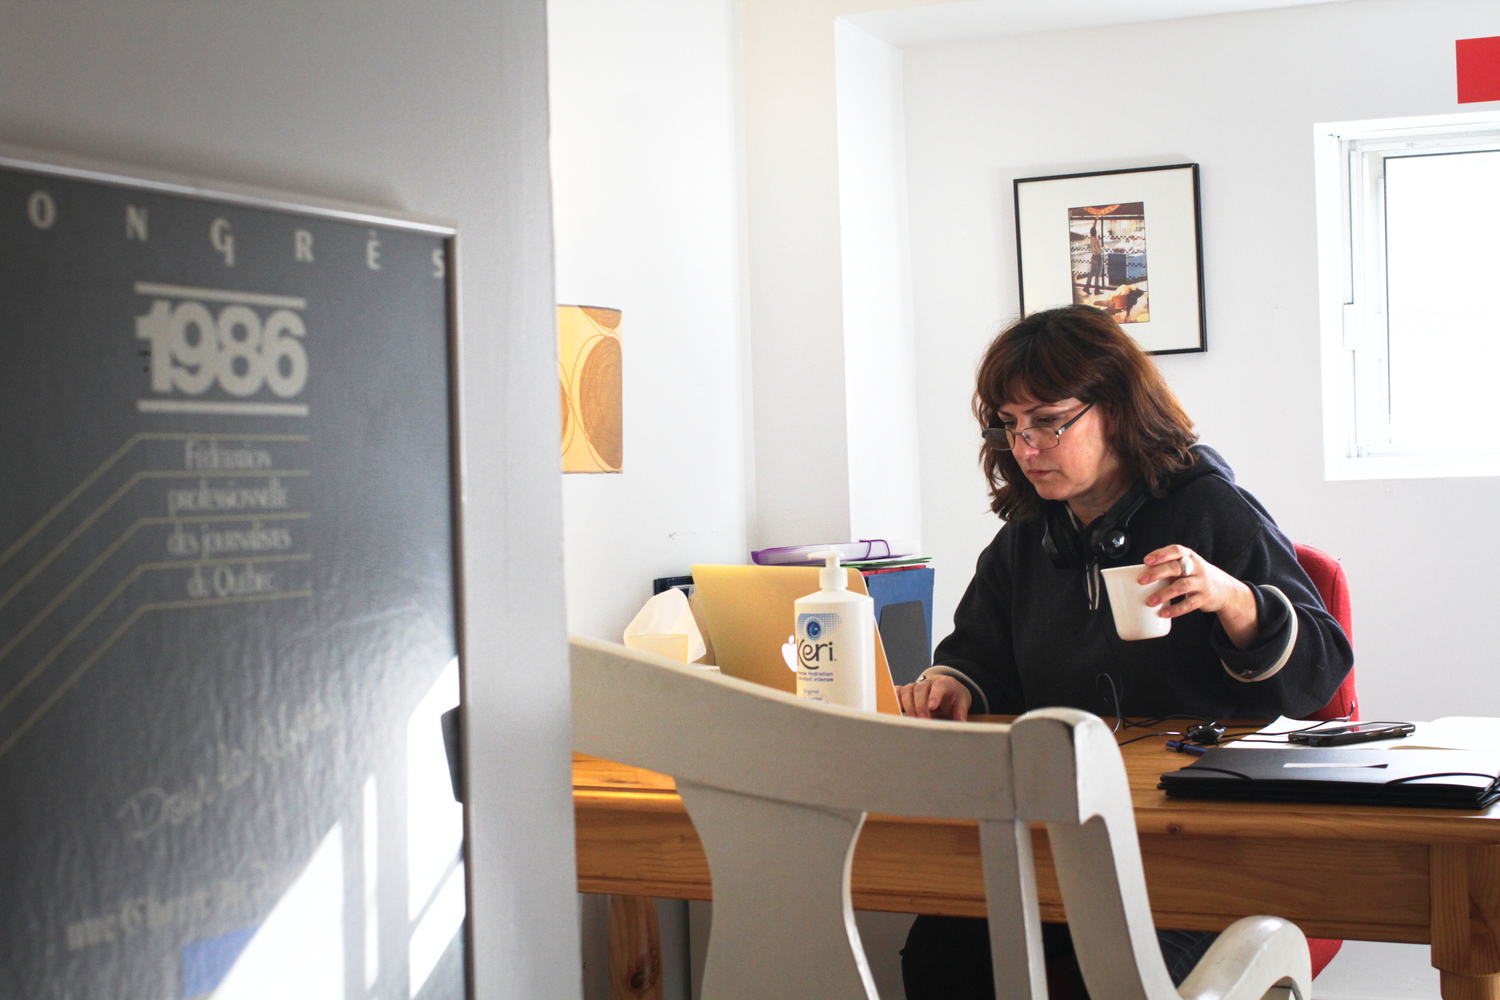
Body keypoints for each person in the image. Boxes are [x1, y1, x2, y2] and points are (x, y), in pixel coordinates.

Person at [895, 305, 1354, 1000]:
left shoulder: (1210, 508)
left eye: (1048, 421)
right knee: (941, 952)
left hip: (1200, 848)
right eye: (1010, 426)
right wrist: (951, 684)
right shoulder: (1027, 537)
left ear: (1115, 408)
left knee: (1108, 973)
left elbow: (1323, 664)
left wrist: (1234, 599)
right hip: (1065, 835)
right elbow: (977, 656)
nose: (1026, 447)